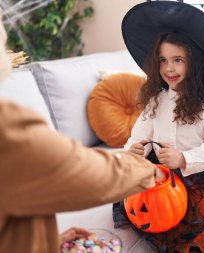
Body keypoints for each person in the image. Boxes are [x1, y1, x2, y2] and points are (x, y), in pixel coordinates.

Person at [0, 7, 165, 253]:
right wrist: (148, 170)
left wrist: (48, 241)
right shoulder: (7, 126)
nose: (5, 32)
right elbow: (83, 172)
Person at [113, 2, 204, 252]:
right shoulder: (156, 100)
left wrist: (184, 158)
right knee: (143, 206)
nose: (169, 68)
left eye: (178, 60)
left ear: (193, 63)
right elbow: (140, 134)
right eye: (163, 60)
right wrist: (135, 150)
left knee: (196, 226)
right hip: (161, 174)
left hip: (196, 173)